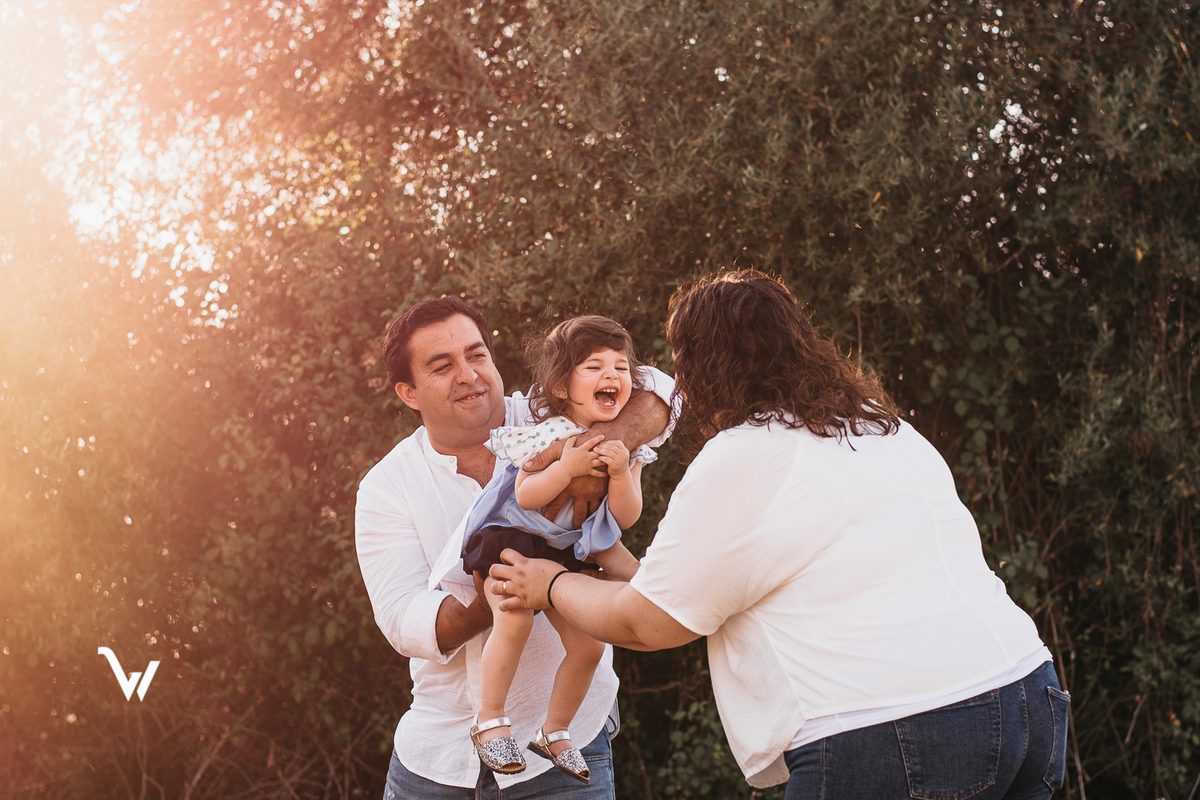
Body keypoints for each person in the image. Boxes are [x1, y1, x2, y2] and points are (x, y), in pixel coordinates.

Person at [492, 271, 1072, 799]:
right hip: (1027, 692)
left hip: (889, 728)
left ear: (704, 367)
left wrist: (551, 583)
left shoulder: (742, 455)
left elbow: (647, 622)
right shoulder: (881, 423)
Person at [355, 297, 673, 798]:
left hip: (569, 758)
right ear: (408, 392)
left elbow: (661, 389)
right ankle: (490, 721)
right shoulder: (387, 486)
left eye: (476, 355)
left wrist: (595, 456)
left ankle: (555, 731)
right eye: (443, 367)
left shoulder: (550, 414)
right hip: (438, 760)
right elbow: (402, 618)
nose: (468, 375)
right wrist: (495, 601)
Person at [429, 316, 651, 783]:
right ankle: (489, 720)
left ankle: (556, 729)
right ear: (563, 386)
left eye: (621, 367)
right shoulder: (548, 432)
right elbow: (528, 495)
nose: (612, 376)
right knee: (514, 617)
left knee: (590, 643)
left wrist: (617, 473)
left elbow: (626, 516)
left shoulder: (628, 447)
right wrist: (566, 467)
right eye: (594, 366)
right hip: (512, 538)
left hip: (561, 555)